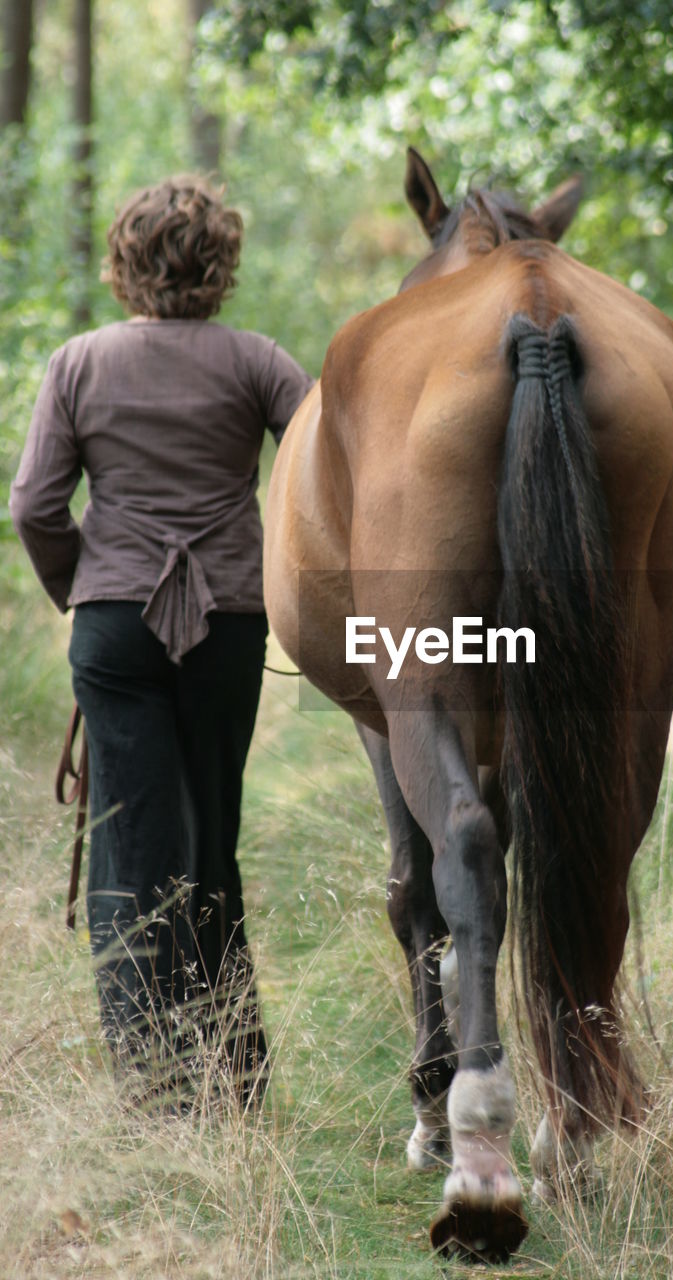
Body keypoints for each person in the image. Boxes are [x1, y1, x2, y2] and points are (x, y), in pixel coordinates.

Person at [10, 175, 313, 1108]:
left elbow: (32, 506)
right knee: (209, 836)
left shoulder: (77, 363)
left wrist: (83, 587)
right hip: (227, 622)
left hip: (115, 628)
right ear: (220, 266)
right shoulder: (260, 361)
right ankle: (233, 1074)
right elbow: (321, 473)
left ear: (124, 263)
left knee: (133, 845)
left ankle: (154, 1088)